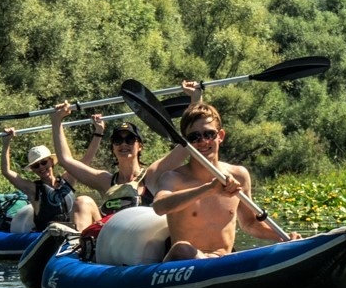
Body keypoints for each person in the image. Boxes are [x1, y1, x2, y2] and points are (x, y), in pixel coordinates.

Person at [47, 80, 203, 232]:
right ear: (113, 147)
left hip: (141, 240)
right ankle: (81, 250)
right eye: (117, 140)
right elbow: (65, 160)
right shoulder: (105, 180)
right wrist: (57, 122)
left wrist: (195, 100)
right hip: (110, 240)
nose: (123, 144)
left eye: (129, 139)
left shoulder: (152, 175)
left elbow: (186, 145)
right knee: (83, 202)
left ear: (139, 145)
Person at [152, 102, 299, 260]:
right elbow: (160, 206)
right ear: (186, 143)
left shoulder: (239, 175)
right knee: (183, 249)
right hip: (186, 263)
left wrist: (283, 238)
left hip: (222, 262)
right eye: (194, 137)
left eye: (209, 134)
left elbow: (249, 223)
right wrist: (209, 189)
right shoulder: (173, 178)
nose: (203, 142)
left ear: (220, 136)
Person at [0, 128, 93, 231]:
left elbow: (86, 161)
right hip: (50, 236)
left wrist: (98, 133)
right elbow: (6, 171)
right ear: (33, 170)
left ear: (51, 162)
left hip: (72, 233)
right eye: (36, 166)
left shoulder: (67, 180)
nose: (41, 167)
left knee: (84, 202)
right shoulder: (33, 189)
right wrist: (6, 142)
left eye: (44, 162)